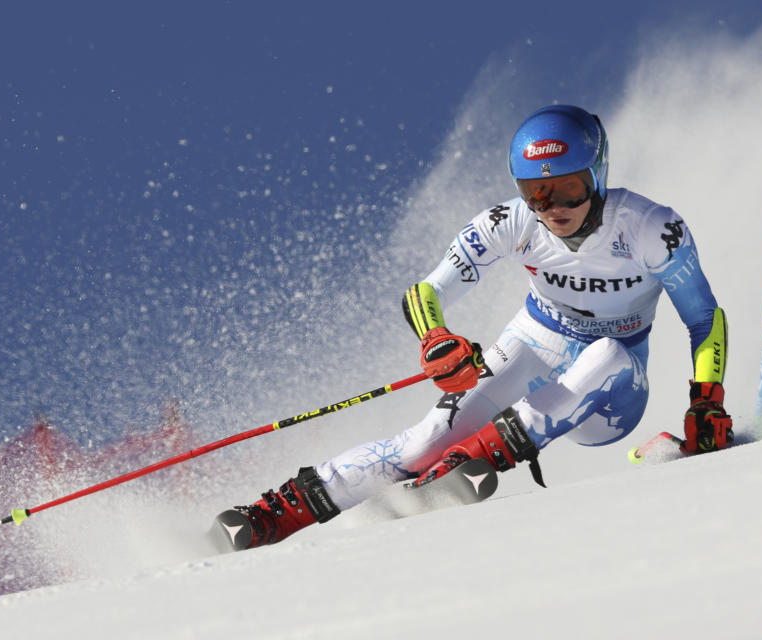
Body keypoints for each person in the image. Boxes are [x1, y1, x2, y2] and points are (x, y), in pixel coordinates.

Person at [216, 105, 733, 550]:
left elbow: (704, 317)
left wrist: (706, 400)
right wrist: (436, 338)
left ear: (597, 175)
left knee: (608, 354)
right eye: (537, 192)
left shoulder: (651, 228)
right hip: (537, 339)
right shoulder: (511, 222)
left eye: (569, 190)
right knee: (424, 440)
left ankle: (478, 457)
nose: (553, 208)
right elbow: (426, 292)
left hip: (613, 396)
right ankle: (273, 516)